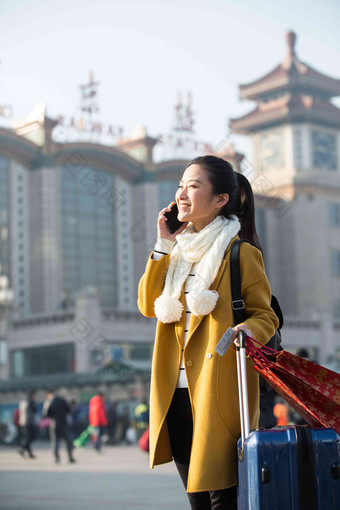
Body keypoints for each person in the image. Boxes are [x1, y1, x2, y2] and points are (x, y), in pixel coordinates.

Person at [137, 155, 279, 509]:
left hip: (219, 389)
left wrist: (247, 328)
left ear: (220, 200)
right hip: (176, 393)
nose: (182, 194)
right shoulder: (173, 256)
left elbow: (266, 315)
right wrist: (163, 243)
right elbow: (146, 303)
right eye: (181, 186)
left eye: (194, 186)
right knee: (197, 498)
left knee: (223, 498)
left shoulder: (239, 253)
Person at [42, 389, 75, 464]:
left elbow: (45, 414)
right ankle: (70, 457)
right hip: (64, 423)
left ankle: (57, 459)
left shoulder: (49, 401)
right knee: (67, 441)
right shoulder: (63, 400)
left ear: (49, 394)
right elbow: (69, 410)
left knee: (55, 442)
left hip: (54, 424)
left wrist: (52, 416)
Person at [18, 390, 38, 458]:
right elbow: (35, 410)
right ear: (32, 396)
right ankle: (22, 448)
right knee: (31, 437)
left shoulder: (23, 402)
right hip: (28, 422)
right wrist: (34, 402)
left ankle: (29, 453)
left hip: (22, 422)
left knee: (28, 437)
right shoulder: (30, 402)